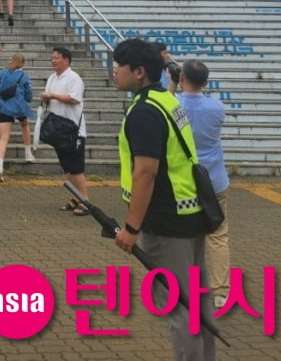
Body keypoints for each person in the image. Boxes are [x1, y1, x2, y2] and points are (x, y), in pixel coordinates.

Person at [112, 37, 213, 361]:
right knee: (197, 301)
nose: (114, 72)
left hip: (167, 221)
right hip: (191, 213)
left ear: (139, 72)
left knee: (180, 307)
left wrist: (131, 227)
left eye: (119, 67)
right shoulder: (167, 99)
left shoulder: (144, 112)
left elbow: (146, 173)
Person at [177, 60, 229, 307]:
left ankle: (187, 287)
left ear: (181, 78)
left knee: (187, 235)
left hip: (186, 181)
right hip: (215, 179)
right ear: (206, 82)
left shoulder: (174, 105)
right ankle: (220, 291)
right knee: (218, 235)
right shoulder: (216, 107)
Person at [40, 43, 88, 206]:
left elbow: (74, 99)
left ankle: (85, 201)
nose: (53, 61)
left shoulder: (74, 78)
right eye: (52, 58)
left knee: (76, 168)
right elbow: (50, 96)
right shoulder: (52, 78)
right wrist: (47, 97)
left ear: (66, 60)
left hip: (73, 130)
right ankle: (75, 198)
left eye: (56, 58)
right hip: (58, 130)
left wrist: (53, 95)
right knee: (67, 167)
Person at [0, 51, 35, 177]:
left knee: (4, 137)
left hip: (4, 107)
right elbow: (29, 96)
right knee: (24, 124)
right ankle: (28, 152)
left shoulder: (4, 73)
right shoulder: (24, 77)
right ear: (22, 64)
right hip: (19, 107)